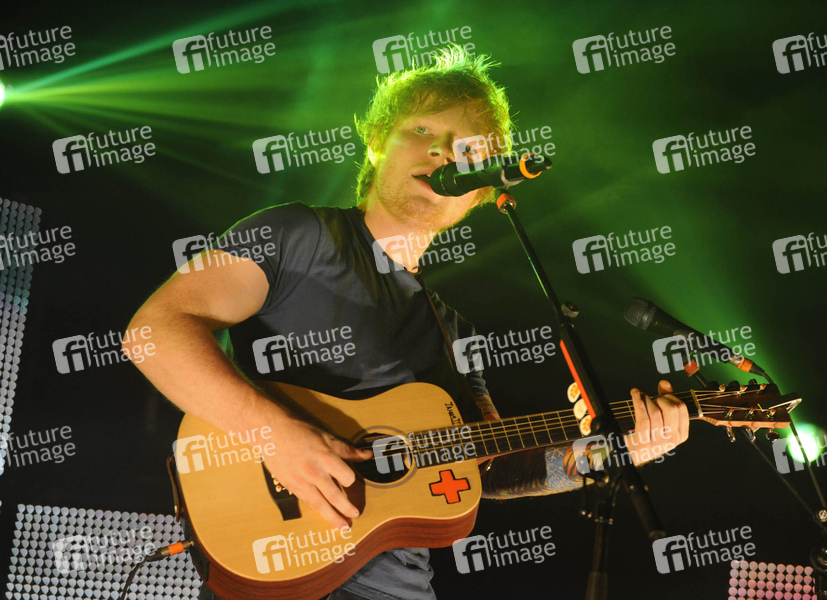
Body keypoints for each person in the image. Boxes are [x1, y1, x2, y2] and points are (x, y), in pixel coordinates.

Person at [124, 46, 689, 600]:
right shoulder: (296, 235)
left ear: (480, 191)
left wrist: (617, 451)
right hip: (277, 565)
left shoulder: (456, 332)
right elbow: (156, 330)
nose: (442, 153)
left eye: (466, 149)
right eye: (422, 130)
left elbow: (491, 470)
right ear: (376, 142)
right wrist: (274, 435)